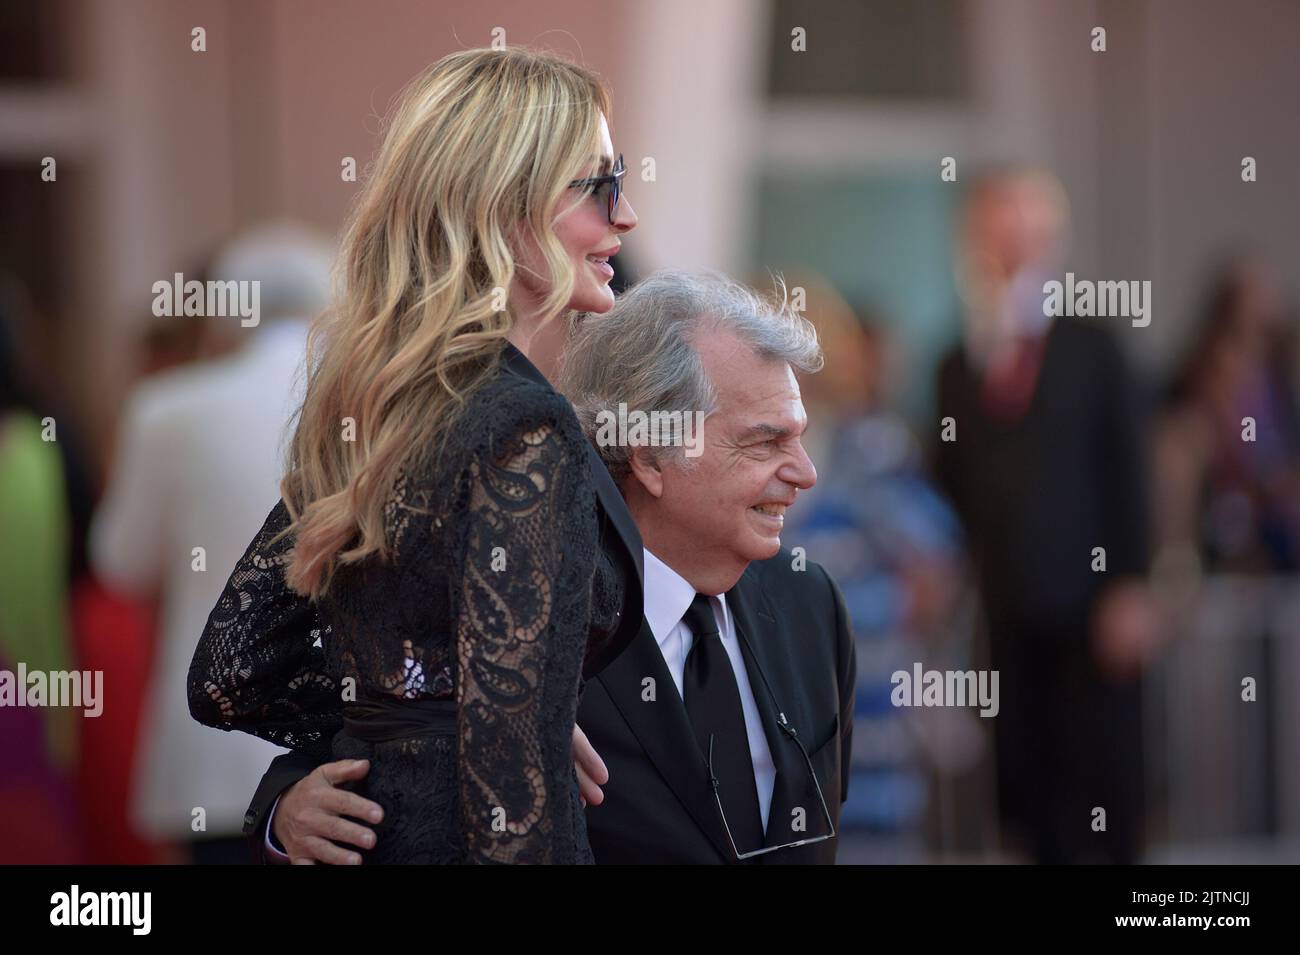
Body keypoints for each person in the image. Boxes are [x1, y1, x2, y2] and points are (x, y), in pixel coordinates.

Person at [187, 47, 643, 864]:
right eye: (598, 185)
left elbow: (232, 672)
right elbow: (514, 811)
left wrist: (404, 731)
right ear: (506, 209)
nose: (626, 216)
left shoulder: (382, 407)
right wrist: (480, 720)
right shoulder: (524, 429)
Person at [256, 271, 857, 864]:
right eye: (764, 443)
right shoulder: (518, 603)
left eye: (800, 439)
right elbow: (381, 719)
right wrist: (288, 804)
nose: (805, 472)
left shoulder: (811, 602)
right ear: (649, 454)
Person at [90, 224, 333, 863]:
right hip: (334, 748)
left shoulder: (167, 406)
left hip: (209, 751)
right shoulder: (368, 401)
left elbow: (120, 563)